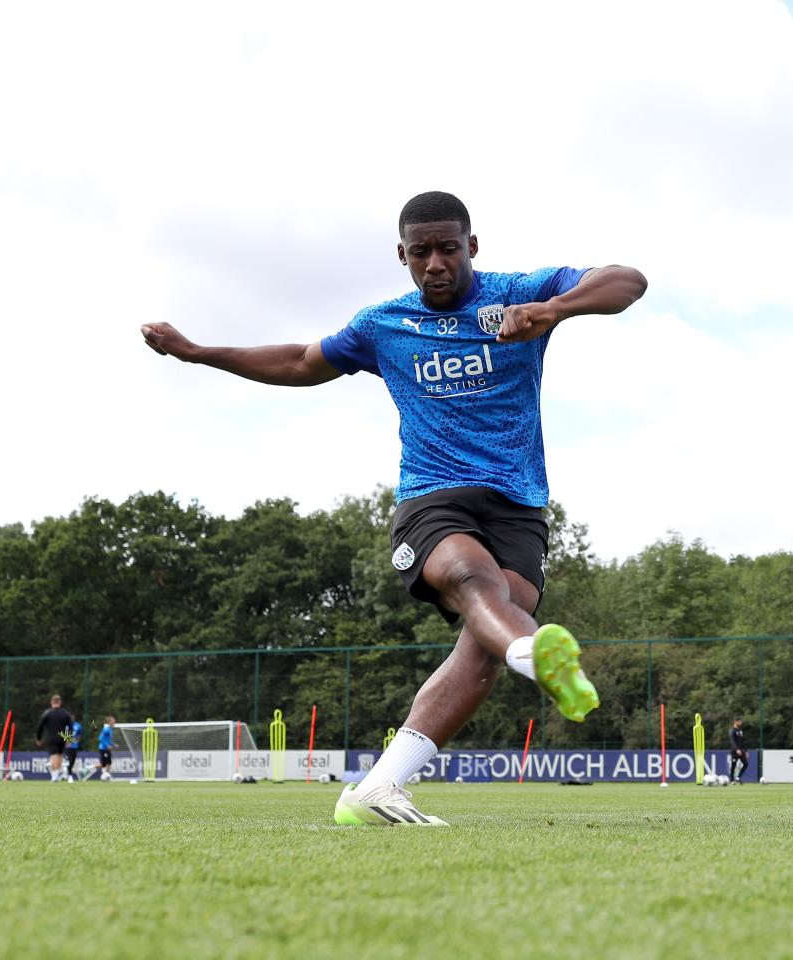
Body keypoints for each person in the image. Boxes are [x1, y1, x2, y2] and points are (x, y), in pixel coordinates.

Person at [142, 191, 647, 826]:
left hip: (518, 505)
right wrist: (198, 353)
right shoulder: (384, 325)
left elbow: (628, 281)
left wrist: (553, 309)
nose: (435, 262)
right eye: (420, 252)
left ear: (472, 247)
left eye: (448, 248)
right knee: (474, 582)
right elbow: (301, 361)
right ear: (402, 256)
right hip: (432, 498)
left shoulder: (520, 292)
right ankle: (533, 653)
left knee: (485, 635)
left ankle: (377, 788)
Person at [35, 694, 72, 783]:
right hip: (62, 738)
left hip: (51, 738)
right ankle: (56, 775)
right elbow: (70, 727)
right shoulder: (65, 713)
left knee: (53, 756)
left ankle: (54, 777)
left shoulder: (47, 713)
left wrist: (39, 738)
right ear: (60, 702)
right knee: (60, 756)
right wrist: (68, 739)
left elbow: (40, 726)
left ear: (51, 702)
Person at [728, 718, 748, 783]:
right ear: (735, 722)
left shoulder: (740, 730)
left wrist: (746, 750)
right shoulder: (732, 730)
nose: (741, 723)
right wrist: (737, 749)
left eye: (741, 721)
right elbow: (732, 741)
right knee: (733, 765)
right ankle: (731, 779)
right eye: (739, 721)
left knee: (746, 764)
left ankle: (738, 777)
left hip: (741, 751)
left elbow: (743, 741)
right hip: (735, 751)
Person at [63, 715, 83, 782]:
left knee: (72, 761)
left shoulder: (78, 725)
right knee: (68, 760)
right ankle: (69, 775)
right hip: (68, 746)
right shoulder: (66, 725)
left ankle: (67, 772)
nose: (71, 719)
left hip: (75, 746)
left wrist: (78, 740)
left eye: (72, 717)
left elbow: (80, 734)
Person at [97, 715, 115, 781]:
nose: (114, 722)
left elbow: (108, 740)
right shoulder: (106, 729)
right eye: (113, 721)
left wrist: (113, 744)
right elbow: (100, 738)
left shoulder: (110, 730)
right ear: (110, 722)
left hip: (107, 749)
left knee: (109, 762)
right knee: (104, 763)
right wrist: (107, 745)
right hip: (103, 748)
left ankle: (107, 775)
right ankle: (105, 775)